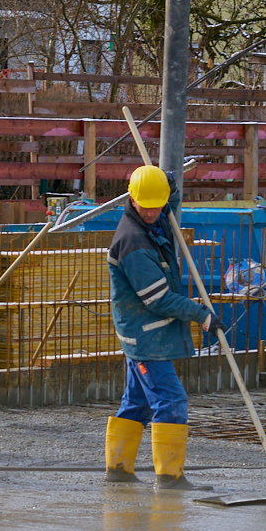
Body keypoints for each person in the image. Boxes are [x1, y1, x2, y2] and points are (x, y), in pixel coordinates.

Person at [104, 164, 216, 489]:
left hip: (142, 332)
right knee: (170, 399)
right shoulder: (133, 242)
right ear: (133, 199)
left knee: (137, 402)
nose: (153, 212)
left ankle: (118, 469)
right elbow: (159, 300)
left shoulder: (150, 218)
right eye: (147, 205)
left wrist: (169, 190)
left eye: (158, 204)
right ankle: (169, 476)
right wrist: (202, 315)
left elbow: (166, 207)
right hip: (146, 336)